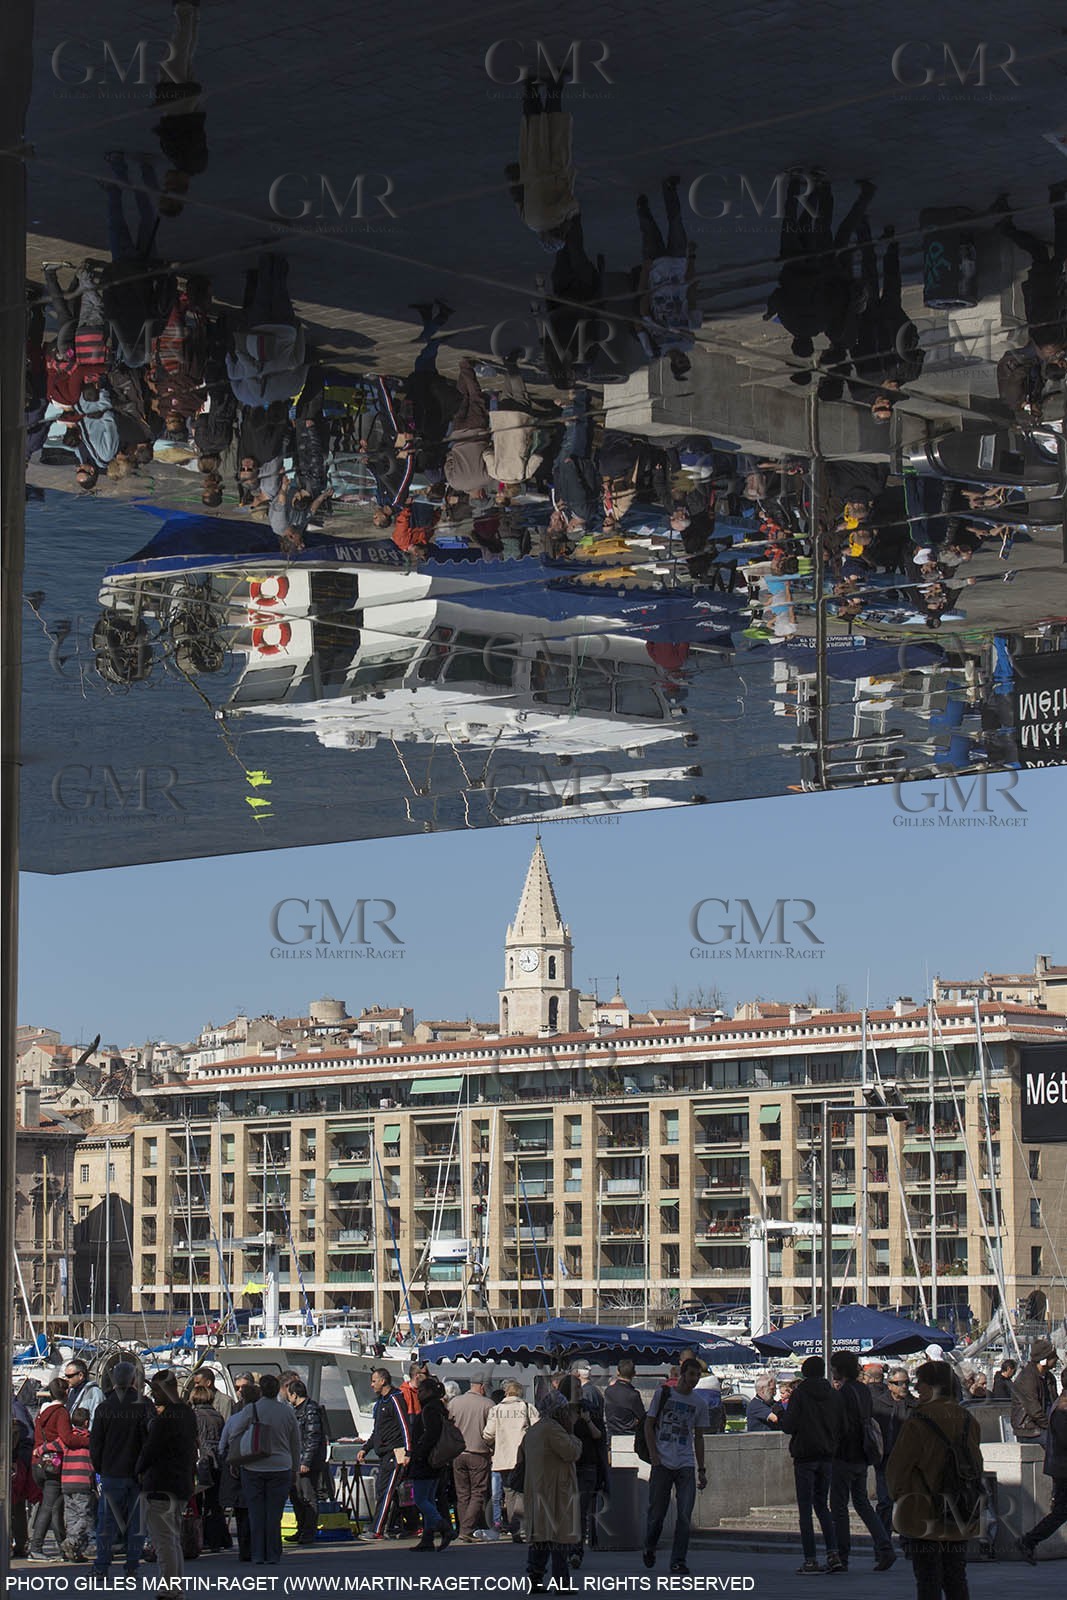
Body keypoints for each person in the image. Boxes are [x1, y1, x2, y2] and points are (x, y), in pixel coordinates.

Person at [886, 1359, 984, 1600]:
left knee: (928, 1578)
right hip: (959, 1508)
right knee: (956, 1576)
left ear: (932, 1387)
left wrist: (898, 1497)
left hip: (923, 1510)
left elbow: (898, 1468)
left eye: (921, 1384)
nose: (916, 1388)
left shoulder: (918, 1420)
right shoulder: (968, 1419)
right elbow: (976, 1463)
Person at [829, 1349, 895, 1572]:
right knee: (863, 1503)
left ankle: (842, 1555)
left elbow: (840, 1425)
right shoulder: (864, 1391)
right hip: (863, 1454)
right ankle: (885, 1547)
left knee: (838, 1506)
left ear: (839, 1369)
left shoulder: (844, 1392)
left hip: (844, 1455)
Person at [225, 1372, 301, 1566]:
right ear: (277, 1390)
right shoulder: (287, 1411)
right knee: (275, 1514)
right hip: (281, 1466)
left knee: (256, 1513)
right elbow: (295, 1442)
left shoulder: (252, 1409)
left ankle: (258, 1554)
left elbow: (235, 1433)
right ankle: (273, 1554)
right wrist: (295, 1468)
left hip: (253, 1466)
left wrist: (236, 1458)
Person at [642, 1356, 709, 1575]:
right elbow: (649, 1425)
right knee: (657, 1514)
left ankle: (678, 1560)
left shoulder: (699, 1403)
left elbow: (699, 1437)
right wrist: (654, 1456)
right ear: (682, 1375)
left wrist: (701, 1469)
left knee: (684, 1515)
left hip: (685, 1463)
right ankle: (650, 1546)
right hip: (662, 1461)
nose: (694, 1380)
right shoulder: (664, 1394)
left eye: (698, 1376)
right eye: (691, 1375)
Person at [135, 1371, 198, 1596]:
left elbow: (150, 1450)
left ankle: (169, 1588)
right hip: (181, 1483)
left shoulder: (166, 1418)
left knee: (163, 1541)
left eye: (156, 1390)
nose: (153, 1394)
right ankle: (175, 1586)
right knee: (172, 1539)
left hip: (161, 1484)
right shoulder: (188, 1414)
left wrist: (137, 1470)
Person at [90, 1360, 153, 1577]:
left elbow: (95, 1444)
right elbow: (150, 1440)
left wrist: (99, 1467)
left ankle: (102, 1564)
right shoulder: (145, 1405)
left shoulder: (104, 1408)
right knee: (136, 1522)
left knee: (107, 1522)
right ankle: (132, 1564)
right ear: (134, 1380)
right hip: (138, 1473)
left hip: (111, 1470)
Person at [782, 1355, 844, 1576]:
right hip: (827, 1455)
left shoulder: (800, 1394)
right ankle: (833, 1554)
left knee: (805, 1508)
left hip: (805, 1455)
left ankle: (810, 1559)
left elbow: (789, 1426)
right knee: (822, 1506)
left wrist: (781, 1415)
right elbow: (841, 1425)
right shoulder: (834, 1395)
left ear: (805, 1372)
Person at [635, 177, 702, 376]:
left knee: (649, 228)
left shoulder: (654, 350)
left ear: (673, 364)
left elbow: (640, 317)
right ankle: (669, 188)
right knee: (676, 222)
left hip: (655, 272)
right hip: (677, 267)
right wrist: (691, 258)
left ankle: (641, 205)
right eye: (686, 361)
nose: (683, 358)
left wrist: (645, 272)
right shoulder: (688, 341)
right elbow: (691, 295)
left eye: (680, 363)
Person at [507, 75, 579, 252]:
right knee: (533, 124)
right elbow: (517, 197)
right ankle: (530, 87)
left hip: (553, 167)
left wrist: (570, 216)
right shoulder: (529, 223)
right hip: (530, 168)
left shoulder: (555, 219)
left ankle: (555, 85)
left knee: (554, 125)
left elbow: (571, 203)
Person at [523, 1400, 583, 1593]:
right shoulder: (554, 1429)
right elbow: (572, 1452)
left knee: (541, 1538)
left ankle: (535, 1577)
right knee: (559, 1539)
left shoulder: (534, 1430)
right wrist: (573, 1436)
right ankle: (561, 1583)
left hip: (538, 1488)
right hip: (556, 1491)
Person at [357, 1369, 411, 1541]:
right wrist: (365, 1448)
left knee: (386, 1491)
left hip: (395, 1452)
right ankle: (399, 1525)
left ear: (382, 1381)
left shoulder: (395, 1399)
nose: (371, 1385)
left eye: (374, 1381)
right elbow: (377, 1431)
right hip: (384, 1453)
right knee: (385, 1490)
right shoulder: (380, 1402)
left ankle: (377, 1529)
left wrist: (408, 1451)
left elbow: (405, 1426)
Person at [1018, 1370, 1067, 1562]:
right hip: (1064, 1469)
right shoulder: (1063, 1409)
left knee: (1062, 1511)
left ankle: (1029, 1540)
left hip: (1061, 1467)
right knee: (1062, 1511)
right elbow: (1064, 1440)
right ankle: (1029, 1540)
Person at [406, 1375, 454, 1552]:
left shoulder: (430, 1410)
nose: (418, 1394)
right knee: (429, 1499)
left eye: (421, 1391)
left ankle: (443, 1526)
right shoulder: (439, 1408)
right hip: (437, 1460)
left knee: (420, 1499)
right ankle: (427, 1538)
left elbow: (430, 1434)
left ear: (429, 1392)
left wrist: (419, 1453)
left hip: (426, 1460)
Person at [484, 1381, 538, 1540]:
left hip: (503, 1459)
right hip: (524, 1458)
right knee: (523, 1492)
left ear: (506, 1393)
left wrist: (496, 1443)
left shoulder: (496, 1410)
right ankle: (522, 1528)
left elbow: (487, 1434)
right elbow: (538, 1430)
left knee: (509, 1494)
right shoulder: (528, 1408)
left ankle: (515, 1531)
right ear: (520, 1393)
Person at [30, 1378, 73, 1559]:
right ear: (66, 1393)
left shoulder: (42, 1412)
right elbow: (67, 1438)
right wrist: (87, 1440)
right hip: (53, 1465)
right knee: (51, 1506)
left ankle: (62, 1546)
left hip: (37, 1463)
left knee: (53, 1505)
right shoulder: (61, 1413)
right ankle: (36, 1548)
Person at [447, 1378, 494, 1542]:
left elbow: (448, 1426)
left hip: (458, 1455)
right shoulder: (488, 1404)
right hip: (478, 1454)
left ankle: (464, 1527)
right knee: (478, 1493)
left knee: (462, 1494)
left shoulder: (454, 1403)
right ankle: (466, 1529)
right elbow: (492, 1431)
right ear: (482, 1387)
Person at [219, 1380, 260, 1561]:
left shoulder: (235, 1419)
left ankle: (245, 1549)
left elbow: (222, 1445)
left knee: (242, 1512)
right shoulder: (267, 1418)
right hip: (262, 1466)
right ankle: (261, 1547)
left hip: (238, 1468)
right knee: (259, 1511)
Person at [188, 1374, 229, 1551]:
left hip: (201, 1461)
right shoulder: (218, 1416)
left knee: (197, 1502)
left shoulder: (194, 1416)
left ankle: (198, 1537)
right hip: (218, 1461)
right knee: (215, 1502)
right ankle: (217, 1539)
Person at [286, 1377, 326, 1546]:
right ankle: (301, 1528)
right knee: (296, 1496)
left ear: (294, 1394)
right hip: (297, 1459)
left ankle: (309, 1531)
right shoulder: (297, 1410)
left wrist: (306, 1461)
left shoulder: (310, 1410)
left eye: (289, 1394)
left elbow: (312, 1437)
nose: (288, 1398)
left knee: (308, 1496)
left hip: (306, 1461)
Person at [864, 1361, 899, 1538]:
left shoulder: (868, 1398)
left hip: (882, 1453)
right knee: (889, 1498)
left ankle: (882, 1537)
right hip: (889, 1453)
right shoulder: (881, 1401)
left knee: (884, 1498)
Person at [60, 1406, 96, 1563]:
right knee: (85, 1517)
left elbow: (52, 1446)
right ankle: (71, 1542)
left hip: (66, 1482)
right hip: (83, 1483)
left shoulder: (67, 1439)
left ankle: (74, 1551)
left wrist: (39, 1451)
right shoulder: (90, 1439)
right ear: (87, 1422)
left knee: (71, 1516)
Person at [1012, 1339, 1059, 1445]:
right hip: (1030, 1430)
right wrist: (1053, 1428)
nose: (1057, 1359)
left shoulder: (1049, 1378)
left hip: (1045, 1426)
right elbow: (1034, 1411)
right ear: (1044, 1360)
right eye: (1053, 1356)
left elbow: (1056, 1404)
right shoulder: (1027, 1378)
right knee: (1057, 1442)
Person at [604, 1360, 647, 1441]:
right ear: (634, 1374)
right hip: (630, 1434)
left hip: (612, 1434)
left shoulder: (608, 1391)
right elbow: (642, 1417)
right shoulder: (633, 1394)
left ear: (617, 1372)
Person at [64, 1360, 104, 1424]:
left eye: (69, 1376)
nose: (66, 1379)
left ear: (80, 1375)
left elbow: (95, 1420)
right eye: (65, 1376)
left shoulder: (94, 1393)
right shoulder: (71, 1391)